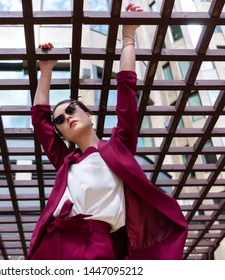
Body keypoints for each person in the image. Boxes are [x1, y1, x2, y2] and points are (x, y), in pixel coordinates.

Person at [27, 3, 188, 260]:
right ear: (60, 133)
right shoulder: (65, 162)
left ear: (88, 115)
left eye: (71, 109)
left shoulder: (118, 147)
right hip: (53, 243)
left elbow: (125, 90)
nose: (66, 117)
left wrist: (128, 35)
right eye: (58, 120)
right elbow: (39, 121)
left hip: (98, 244)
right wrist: (46, 70)